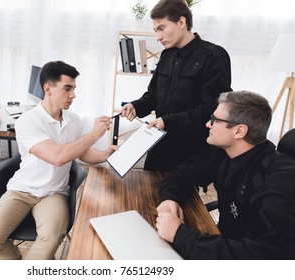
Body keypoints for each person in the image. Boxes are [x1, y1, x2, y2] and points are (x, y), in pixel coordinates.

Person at [0, 61, 117, 260]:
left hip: (54, 193)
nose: (73, 95)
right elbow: (57, 157)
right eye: (67, 88)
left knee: (49, 239)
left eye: (74, 89)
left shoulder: (73, 120)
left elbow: (81, 152)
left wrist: (104, 155)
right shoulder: (28, 121)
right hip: (22, 190)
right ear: (48, 89)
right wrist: (94, 134)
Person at [155, 90, 295, 259]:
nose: (208, 124)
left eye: (214, 120)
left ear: (239, 131)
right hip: (223, 242)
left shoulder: (275, 182)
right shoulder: (224, 152)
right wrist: (169, 198)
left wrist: (180, 236)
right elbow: (184, 172)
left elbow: (268, 256)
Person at [121, 0, 232, 171]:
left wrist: (168, 121)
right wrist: (136, 106)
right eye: (155, 30)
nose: (158, 37)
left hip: (191, 148)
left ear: (181, 22)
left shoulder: (213, 56)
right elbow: (153, 95)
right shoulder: (166, 55)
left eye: (162, 28)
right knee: (148, 189)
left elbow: (212, 109)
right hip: (160, 140)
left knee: (176, 196)